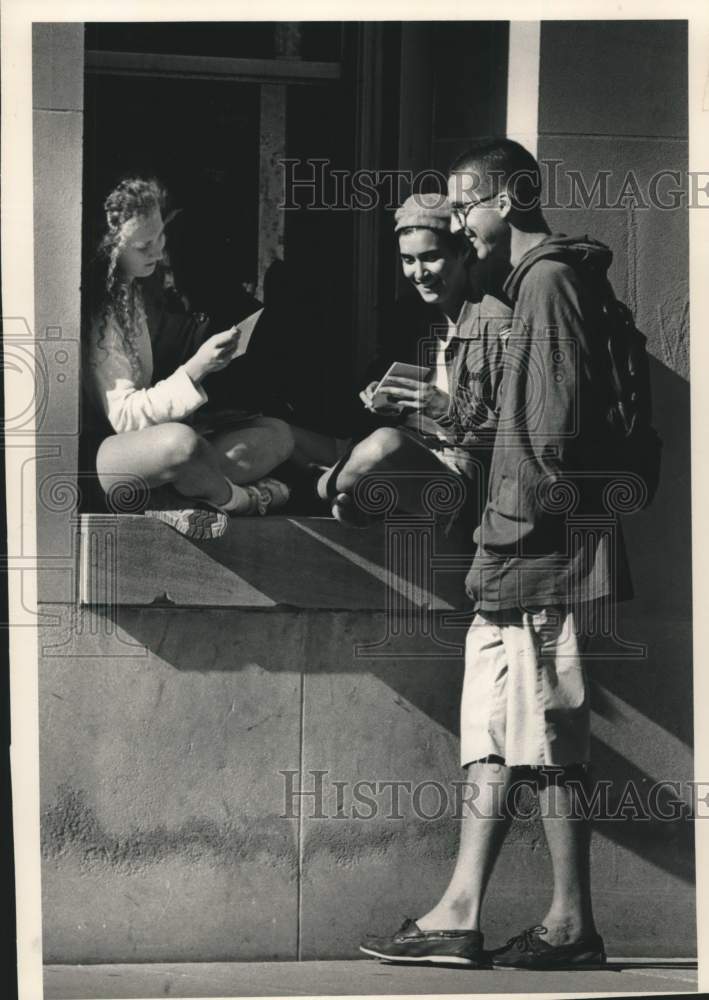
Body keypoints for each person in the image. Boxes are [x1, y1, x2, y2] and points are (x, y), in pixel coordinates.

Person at [360, 140, 632, 970]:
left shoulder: (544, 283)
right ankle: (460, 912)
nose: (459, 222)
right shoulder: (533, 284)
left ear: (505, 201)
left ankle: (569, 923)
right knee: (494, 733)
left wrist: (511, 530)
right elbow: (521, 430)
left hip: (533, 556)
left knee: (546, 733)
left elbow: (545, 439)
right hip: (510, 556)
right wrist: (449, 417)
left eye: (465, 207)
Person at [84, 177, 294, 538]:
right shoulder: (104, 314)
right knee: (181, 445)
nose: (158, 253)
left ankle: (170, 500)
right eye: (144, 246)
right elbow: (124, 418)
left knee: (277, 434)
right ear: (111, 248)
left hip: (152, 458)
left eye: (160, 238)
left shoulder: (138, 293)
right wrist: (198, 368)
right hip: (106, 458)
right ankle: (241, 500)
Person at [316, 192, 511, 526]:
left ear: (463, 252)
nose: (419, 273)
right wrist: (380, 396)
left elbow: (519, 439)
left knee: (382, 446)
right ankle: (357, 494)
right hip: (403, 456)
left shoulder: (496, 324)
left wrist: (445, 409)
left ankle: (311, 490)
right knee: (282, 436)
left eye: (431, 257)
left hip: (463, 484)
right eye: (408, 260)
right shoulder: (411, 317)